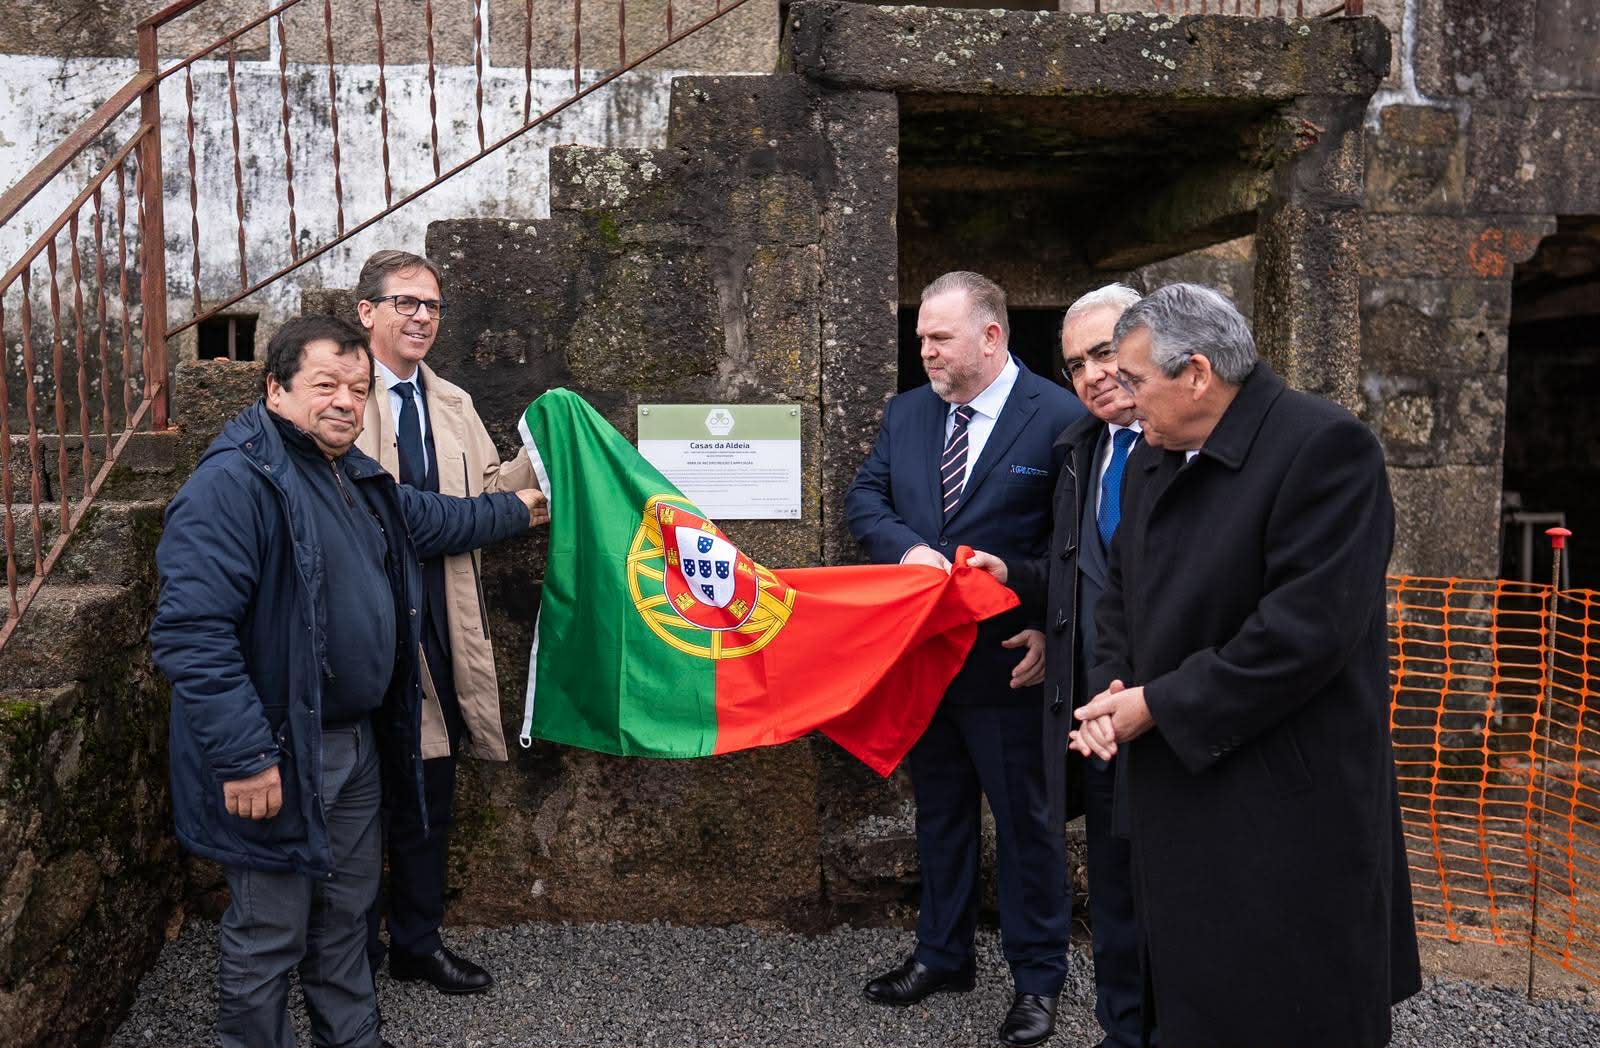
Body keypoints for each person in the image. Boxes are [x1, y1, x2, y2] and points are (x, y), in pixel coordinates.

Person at [150, 316, 547, 1048]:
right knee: (269, 934)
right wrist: (244, 757)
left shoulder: (354, 476)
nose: (344, 402)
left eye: (358, 390)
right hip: (278, 749)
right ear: (276, 389)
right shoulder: (234, 482)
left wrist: (521, 505)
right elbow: (191, 633)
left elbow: (433, 519)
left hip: (354, 745)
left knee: (346, 916)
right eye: (325, 384)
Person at [1070, 283, 1421, 1048]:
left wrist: (1158, 705)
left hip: (1284, 799)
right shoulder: (1151, 458)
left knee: (1286, 1004)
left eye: (1133, 380)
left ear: (1196, 373)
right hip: (1176, 779)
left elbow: (1302, 634)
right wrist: (1113, 688)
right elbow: (1119, 596)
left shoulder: (1325, 450)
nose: (1120, 399)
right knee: (1190, 998)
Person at [846, 271, 1084, 1048]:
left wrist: (1053, 629)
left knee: (1027, 827)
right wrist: (910, 550)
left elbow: (1074, 547)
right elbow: (866, 503)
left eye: (939, 338)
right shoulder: (909, 411)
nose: (925, 351)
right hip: (923, 662)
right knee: (940, 816)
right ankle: (942, 955)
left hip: (1012, 665)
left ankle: (1038, 980)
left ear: (992, 336)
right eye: (920, 337)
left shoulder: (1060, 416)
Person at [351, 249, 537, 995]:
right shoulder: (337, 393)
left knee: (431, 794)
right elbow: (398, 522)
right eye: (405, 303)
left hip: (440, 622)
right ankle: (349, 954)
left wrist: (544, 460)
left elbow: (489, 488)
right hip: (365, 629)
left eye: (431, 305)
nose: (421, 316)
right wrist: (503, 511)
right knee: (358, 805)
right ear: (366, 312)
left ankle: (417, 943)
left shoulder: (453, 403)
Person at [969, 283, 1150, 1048]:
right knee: (1111, 888)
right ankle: (1123, 1028)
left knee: (1178, 889)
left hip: (1177, 707)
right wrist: (1031, 597)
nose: (1092, 375)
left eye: (1106, 352)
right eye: (1075, 363)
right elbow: (1073, 567)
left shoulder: (1195, 448)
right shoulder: (1084, 448)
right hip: (1094, 710)